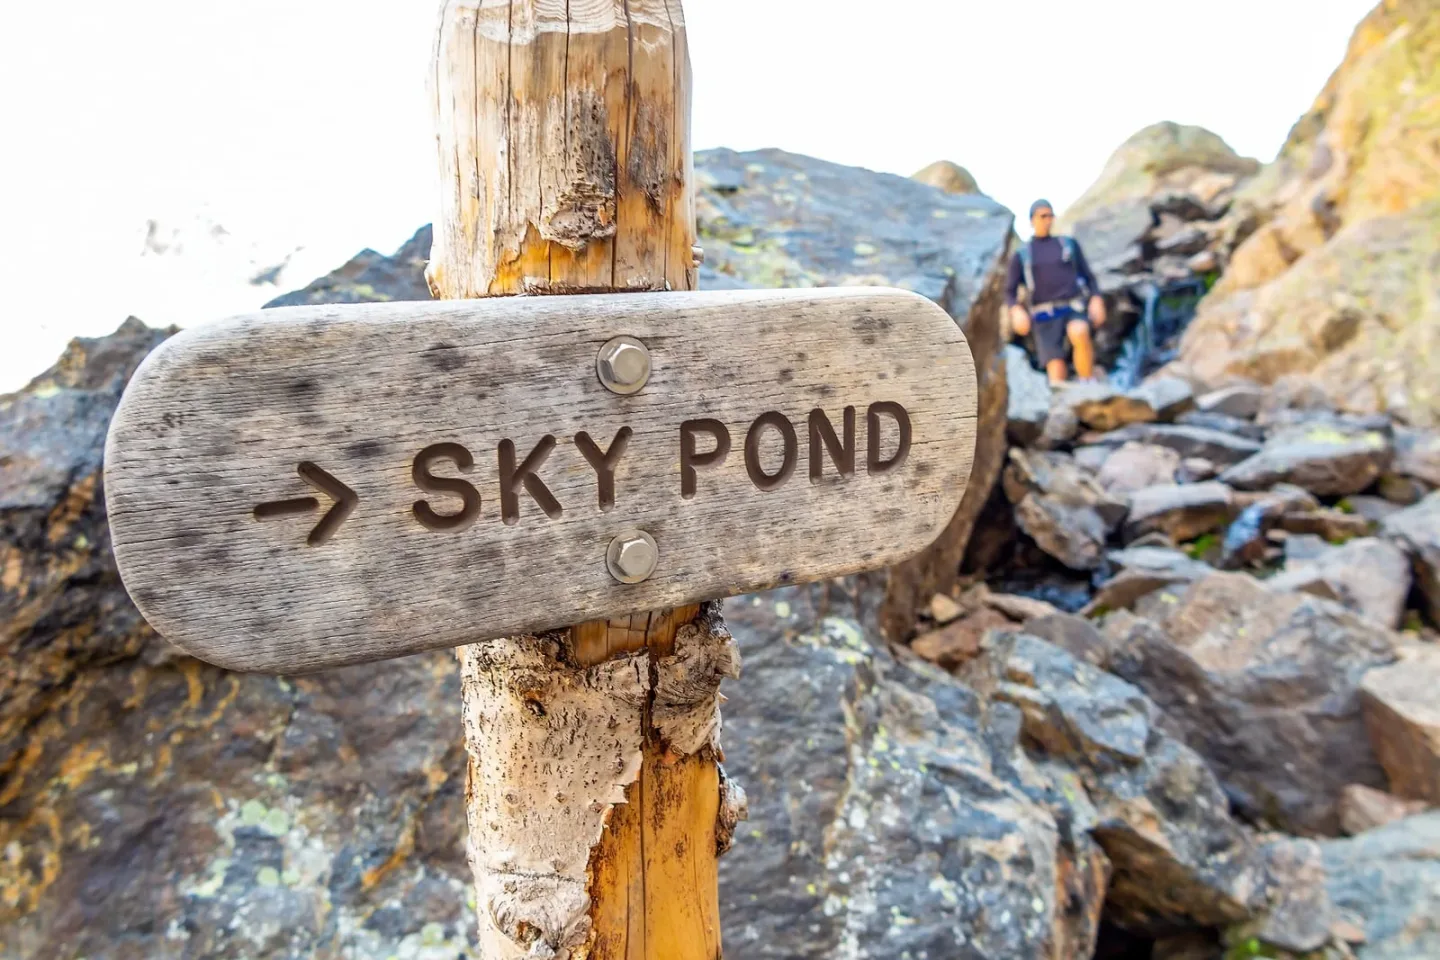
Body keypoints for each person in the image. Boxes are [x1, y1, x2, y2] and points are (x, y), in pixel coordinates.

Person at [1005, 199, 1107, 384]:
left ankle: (1088, 383)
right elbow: (1009, 291)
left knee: (1079, 332)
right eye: (1043, 216)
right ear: (1032, 220)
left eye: (1051, 215)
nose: (1048, 220)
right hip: (1044, 316)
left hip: (1072, 307)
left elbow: (1089, 277)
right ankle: (1061, 401)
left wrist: (1096, 299)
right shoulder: (1023, 255)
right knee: (1055, 368)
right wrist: (1016, 311)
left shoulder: (1067, 245)